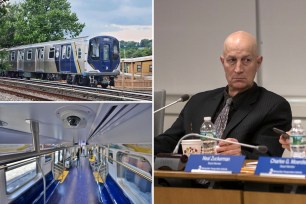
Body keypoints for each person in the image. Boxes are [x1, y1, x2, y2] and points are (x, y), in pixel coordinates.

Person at [155, 31, 292, 159]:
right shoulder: (198, 101)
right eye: (232, 60)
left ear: (258, 62)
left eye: (246, 60)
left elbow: (268, 155)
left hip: (232, 182)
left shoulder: (273, 106)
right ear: (223, 62)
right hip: (187, 181)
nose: (238, 69)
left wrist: (241, 154)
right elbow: (170, 141)